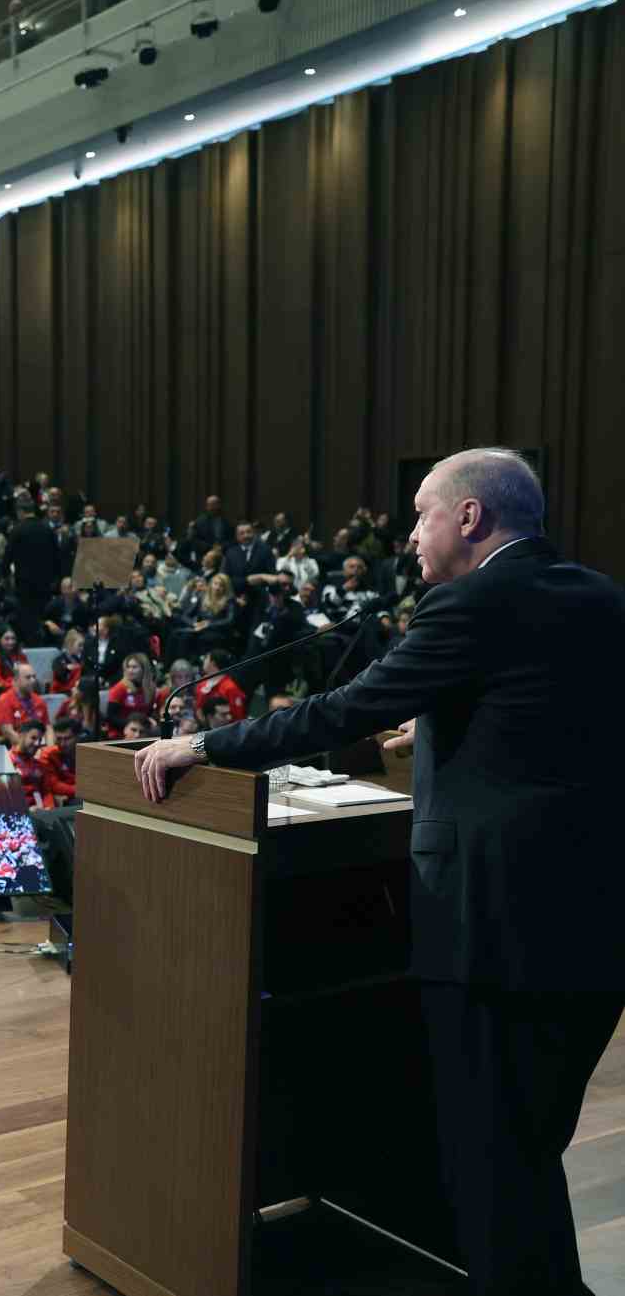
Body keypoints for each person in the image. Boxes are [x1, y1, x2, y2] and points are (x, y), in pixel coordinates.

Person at [134, 448, 625, 1295]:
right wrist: (450, 724)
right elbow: (556, 724)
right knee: (531, 1149)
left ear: (469, 517)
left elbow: (343, 708)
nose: (409, 534)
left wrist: (204, 744)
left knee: (492, 1165)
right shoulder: (600, 596)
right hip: (592, 932)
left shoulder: (469, 602)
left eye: (422, 512)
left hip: (493, 935)